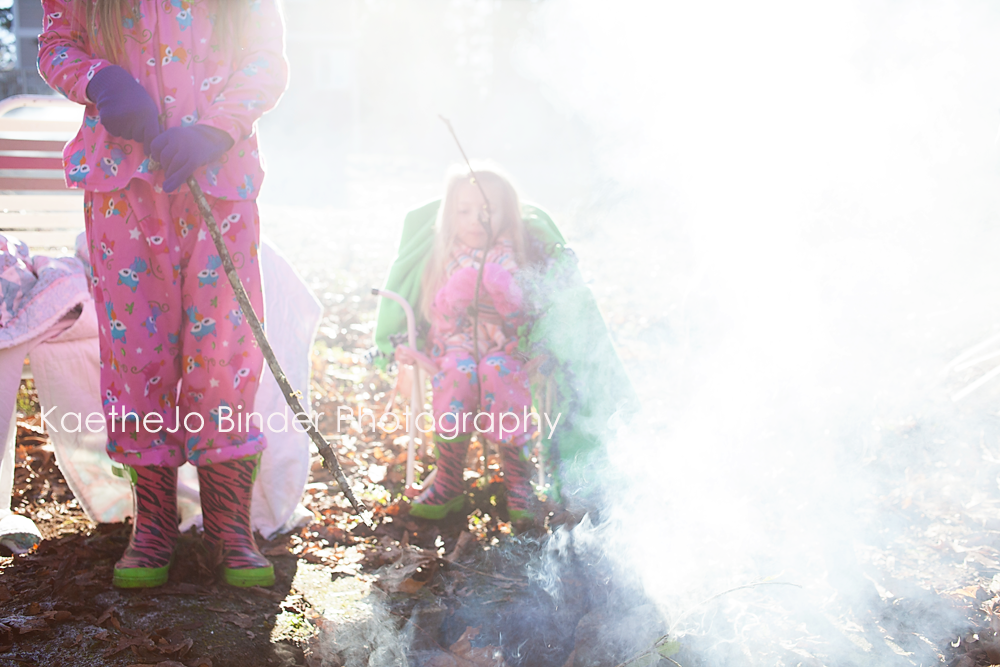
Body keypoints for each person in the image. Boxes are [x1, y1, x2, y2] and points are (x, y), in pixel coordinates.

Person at [37, 0, 289, 588]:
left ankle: (229, 522)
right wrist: (102, 79)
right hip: (123, 186)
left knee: (222, 351)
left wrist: (216, 127)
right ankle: (152, 520)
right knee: (136, 355)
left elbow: (266, 60)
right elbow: (56, 45)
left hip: (217, 181)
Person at [394, 165, 539, 524]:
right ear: (450, 215)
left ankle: (518, 479)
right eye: (464, 211)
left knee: (498, 370)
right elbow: (438, 315)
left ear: (506, 214)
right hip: (453, 349)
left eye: (487, 211)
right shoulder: (444, 256)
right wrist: (459, 289)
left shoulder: (512, 257)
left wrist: (501, 287)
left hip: (502, 350)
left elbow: (521, 317)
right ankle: (448, 478)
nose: (476, 220)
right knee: (459, 374)